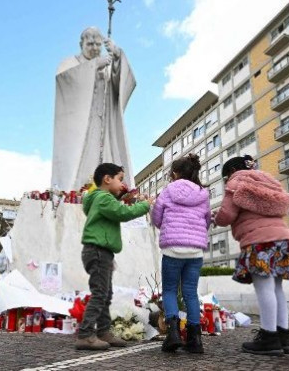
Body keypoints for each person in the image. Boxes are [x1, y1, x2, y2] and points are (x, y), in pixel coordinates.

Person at [213, 155, 289, 356]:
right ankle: (283, 337)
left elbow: (226, 215)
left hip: (260, 241)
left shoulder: (236, 180)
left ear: (230, 172)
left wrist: (215, 218)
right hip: (284, 238)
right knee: (277, 288)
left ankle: (269, 337)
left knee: (264, 288)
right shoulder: (268, 180)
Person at [75, 163, 152, 351]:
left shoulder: (98, 199)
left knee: (105, 294)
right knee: (100, 293)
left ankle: (103, 332)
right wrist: (145, 205)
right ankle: (85, 334)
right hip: (98, 251)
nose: (122, 184)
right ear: (107, 179)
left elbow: (115, 209)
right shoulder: (102, 198)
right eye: (120, 179)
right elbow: (122, 212)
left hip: (101, 252)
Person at [52, 26, 137, 192]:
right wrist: (93, 66)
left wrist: (118, 56)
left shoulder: (105, 65)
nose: (94, 48)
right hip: (81, 125)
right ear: (81, 43)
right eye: (90, 44)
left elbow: (121, 86)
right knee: (83, 160)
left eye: (98, 44)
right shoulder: (71, 63)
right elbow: (64, 81)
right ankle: (78, 190)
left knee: (106, 157)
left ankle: (107, 189)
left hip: (103, 124)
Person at [151, 154, 210, 354]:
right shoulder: (203, 193)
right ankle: (195, 340)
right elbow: (207, 219)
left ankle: (173, 334)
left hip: (172, 248)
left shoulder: (168, 191)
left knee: (169, 290)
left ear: (175, 174)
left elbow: (157, 217)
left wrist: (166, 225)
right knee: (190, 293)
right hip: (195, 251)